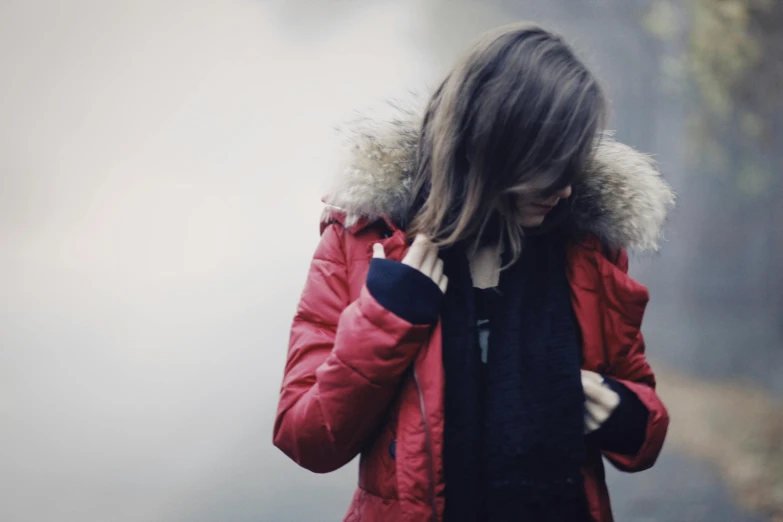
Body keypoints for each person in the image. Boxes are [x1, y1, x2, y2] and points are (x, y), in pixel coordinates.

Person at [273, 22, 673, 522]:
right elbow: (305, 437)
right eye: (551, 163)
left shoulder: (588, 252)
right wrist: (385, 320)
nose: (566, 189)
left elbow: (645, 413)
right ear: (495, 145)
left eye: (574, 163)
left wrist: (624, 413)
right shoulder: (364, 242)